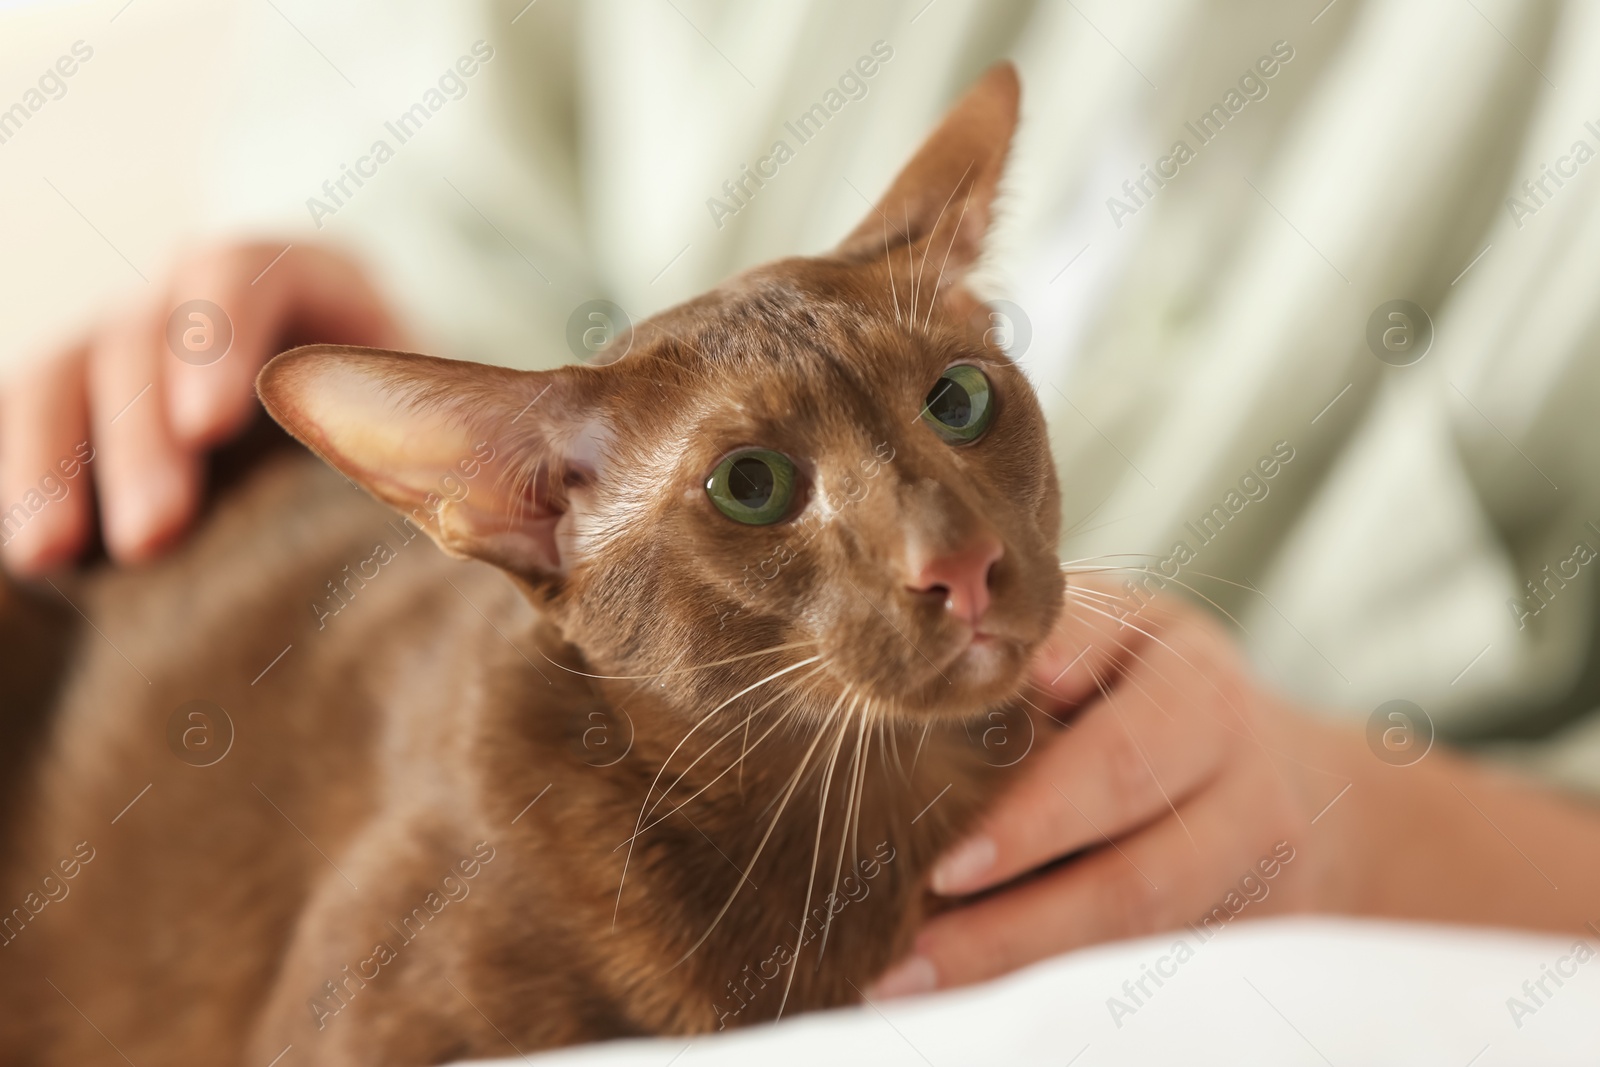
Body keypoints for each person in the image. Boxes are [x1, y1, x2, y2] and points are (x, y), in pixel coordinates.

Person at [6, 0, 1600, 999]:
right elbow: (413, 237)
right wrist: (304, 310)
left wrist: (1361, 829)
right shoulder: (508, 876)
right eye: (764, 490)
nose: (951, 549)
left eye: (964, 402)